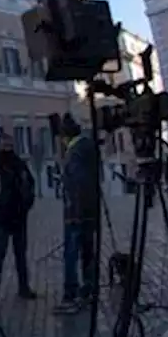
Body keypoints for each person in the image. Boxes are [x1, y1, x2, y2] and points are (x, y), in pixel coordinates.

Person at [0, 133, 38, 303]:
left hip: (20, 216)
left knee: (21, 255)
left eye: (10, 145)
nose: (8, 149)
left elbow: (30, 184)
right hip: (2, 218)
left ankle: (24, 287)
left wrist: (28, 202)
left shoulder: (20, 164)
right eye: (4, 146)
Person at [55, 113, 99, 315]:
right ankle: (89, 290)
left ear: (66, 137)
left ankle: (70, 296)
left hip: (76, 212)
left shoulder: (74, 153)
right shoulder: (89, 148)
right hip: (92, 210)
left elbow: (77, 184)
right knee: (88, 252)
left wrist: (75, 212)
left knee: (71, 254)